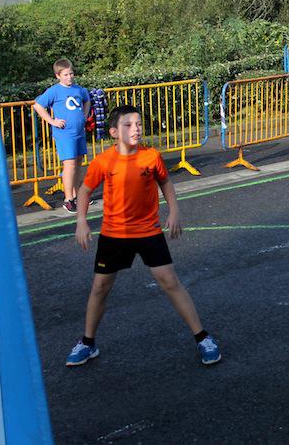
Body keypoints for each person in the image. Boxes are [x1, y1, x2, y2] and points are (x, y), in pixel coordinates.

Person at [68, 105, 221, 367]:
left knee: (170, 281)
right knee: (100, 287)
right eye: (128, 125)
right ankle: (87, 342)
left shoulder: (151, 157)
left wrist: (174, 210)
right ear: (114, 132)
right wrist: (81, 221)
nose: (136, 129)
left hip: (148, 231)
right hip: (114, 235)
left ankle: (202, 337)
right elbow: (84, 191)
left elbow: (165, 182)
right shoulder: (104, 161)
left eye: (138, 124)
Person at [32, 59, 91, 213]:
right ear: (58, 76)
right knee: (69, 165)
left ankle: (77, 195)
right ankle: (68, 199)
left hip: (79, 133)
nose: (69, 77)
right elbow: (38, 106)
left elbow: (87, 101)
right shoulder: (54, 91)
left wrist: (84, 116)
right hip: (65, 134)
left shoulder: (78, 89)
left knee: (78, 164)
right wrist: (52, 121)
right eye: (65, 75)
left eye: (71, 74)